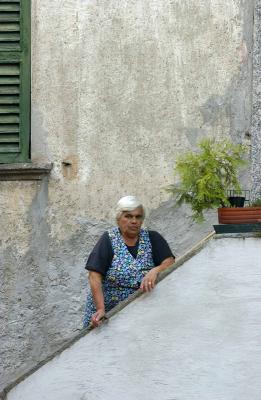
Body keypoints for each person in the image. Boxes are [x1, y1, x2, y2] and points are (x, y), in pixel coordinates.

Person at [83, 195, 175, 328]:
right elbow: (94, 275)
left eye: (138, 217)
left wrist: (155, 271)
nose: (134, 221)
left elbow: (170, 262)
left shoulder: (153, 238)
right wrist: (100, 309)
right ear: (118, 219)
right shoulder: (109, 239)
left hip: (142, 314)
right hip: (109, 315)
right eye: (128, 216)